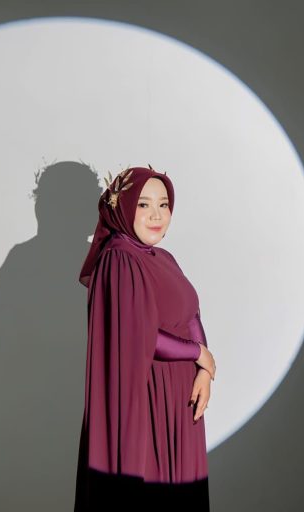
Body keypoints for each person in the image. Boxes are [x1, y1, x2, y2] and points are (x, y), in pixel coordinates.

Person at [74, 165, 215, 511]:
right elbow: (142, 336)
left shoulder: (164, 258)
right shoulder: (119, 259)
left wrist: (204, 371)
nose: (156, 215)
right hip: (147, 400)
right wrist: (198, 353)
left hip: (181, 400)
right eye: (143, 204)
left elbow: (190, 312)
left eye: (163, 205)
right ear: (122, 207)